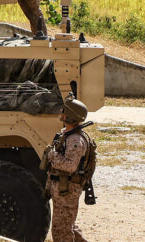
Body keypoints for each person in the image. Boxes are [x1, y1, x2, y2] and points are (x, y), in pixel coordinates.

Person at [44, 96, 91, 242]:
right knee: (67, 226)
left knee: (61, 231)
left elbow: (70, 166)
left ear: (69, 116)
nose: (61, 113)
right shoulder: (66, 135)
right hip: (61, 188)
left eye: (64, 111)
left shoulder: (75, 140)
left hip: (68, 190)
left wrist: (52, 155)